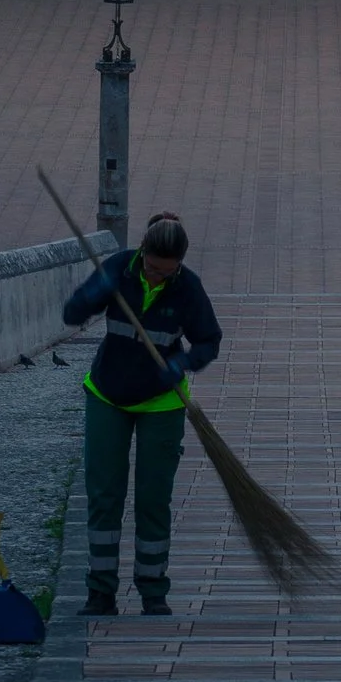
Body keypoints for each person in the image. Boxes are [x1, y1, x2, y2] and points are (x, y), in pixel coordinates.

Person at [61, 211, 222, 618]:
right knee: (104, 495)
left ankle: (153, 591)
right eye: (152, 268)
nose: (156, 277)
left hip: (161, 403)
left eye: (166, 273)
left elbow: (208, 341)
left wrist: (182, 363)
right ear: (143, 253)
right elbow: (72, 314)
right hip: (107, 395)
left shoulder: (188, 288)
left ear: (179, 265)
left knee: (153, 498)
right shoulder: (119, 269)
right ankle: (100, 593)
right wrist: (92, 295)